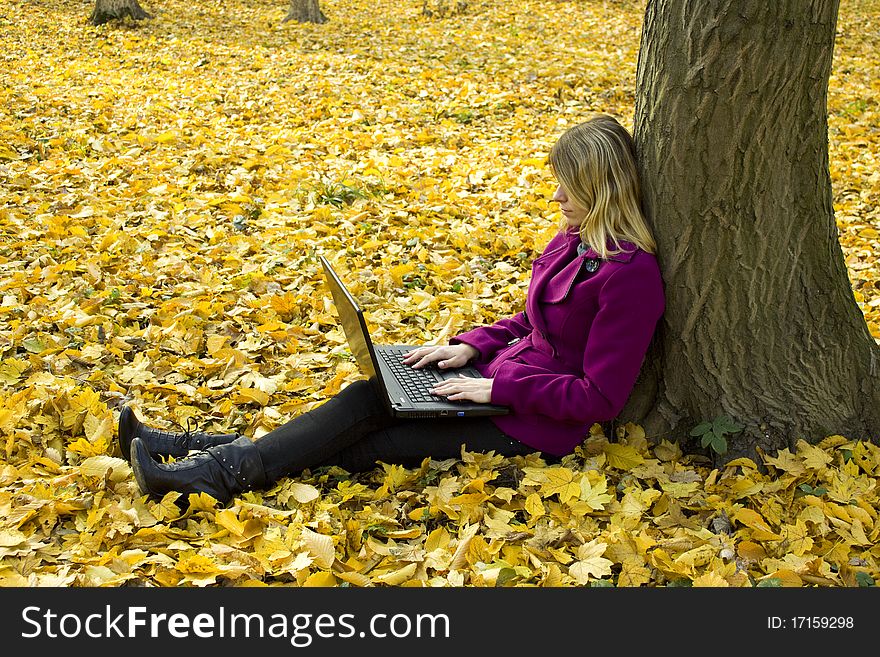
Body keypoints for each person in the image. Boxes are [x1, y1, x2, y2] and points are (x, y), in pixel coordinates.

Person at [120, 113, 666, 505]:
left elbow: (601, 397)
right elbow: (533, 321)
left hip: (531, 426)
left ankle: (203, 467)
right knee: (368, 396)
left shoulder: (631, 276)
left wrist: (499, 391)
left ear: (601, 186)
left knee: (362, 435)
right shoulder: (574, 239)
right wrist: (468, 346)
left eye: (567, 187)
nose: (555, 199)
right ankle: (196, 459)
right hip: (487, 390)